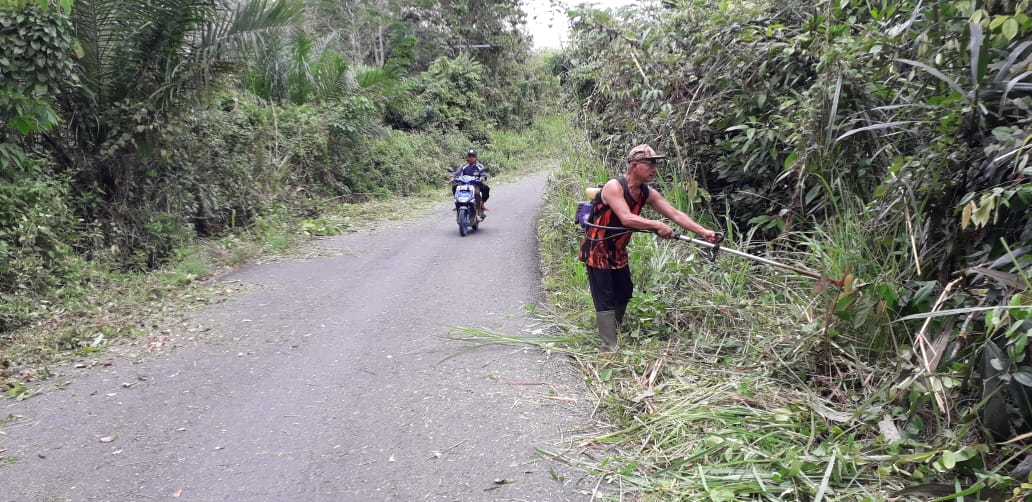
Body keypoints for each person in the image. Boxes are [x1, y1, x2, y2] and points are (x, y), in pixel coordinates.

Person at [578, 144, 719, 351]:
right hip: (597, 248)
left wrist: (703, 232)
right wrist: (656, 225)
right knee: (605, 296)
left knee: (625, 292)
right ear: (634, 166)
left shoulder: (646, 193)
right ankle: (609, 345)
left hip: (618, 250)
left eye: (656, 164)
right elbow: (626, 218)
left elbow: (675, 214)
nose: (654, 169)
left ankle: (614, 327)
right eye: (649, 164)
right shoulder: (614, 187)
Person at [452, 149, 490, 218]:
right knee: (455, 187)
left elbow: (483, 174)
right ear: (467, 158)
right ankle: (458, 205)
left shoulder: (479, 166)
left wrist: (482, 177)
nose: (471, 158)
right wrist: (453, 177)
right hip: (465, 184)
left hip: (476, 184)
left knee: (477, 194)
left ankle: (478, 211)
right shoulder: (464, 166)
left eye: (473, 156)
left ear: (476, 158)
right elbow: (457, 173)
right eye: (469, 156)